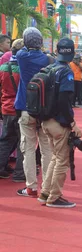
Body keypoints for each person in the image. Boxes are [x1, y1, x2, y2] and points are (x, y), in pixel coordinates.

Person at [38, 38, 81, 208]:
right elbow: (64, 101)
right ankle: (54, 197)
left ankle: (45, 192)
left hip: (45, 120)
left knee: (55, 159)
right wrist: (72, 124)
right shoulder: (66, 71)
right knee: (62, 161)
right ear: (72, 52)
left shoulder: (49, 68)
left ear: (57, 50)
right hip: (58, 122)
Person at [15, 27, 54, 198]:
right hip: (45, 111)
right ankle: (47, 187)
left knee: (28, 150)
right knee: (47, 150)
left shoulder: (22, 57)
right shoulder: (48, 59)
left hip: (26, 109)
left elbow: (19, 48)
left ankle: (30, 187)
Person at [0, 39, 25, 181]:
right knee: (23, 142)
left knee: (5, 140)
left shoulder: (3, 67)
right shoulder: (25, 70)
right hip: (20, 108)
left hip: (6, 108)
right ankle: (19, 174)